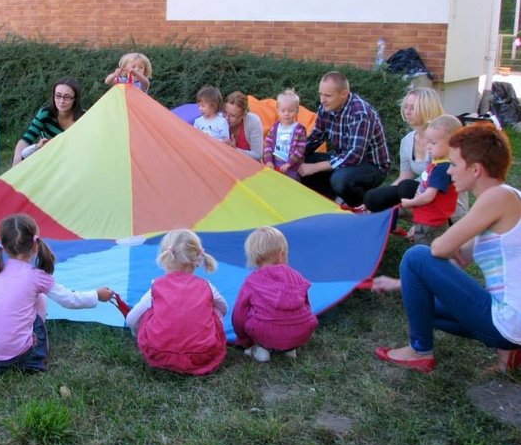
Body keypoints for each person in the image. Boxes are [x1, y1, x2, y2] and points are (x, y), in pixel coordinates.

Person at [375, 123, 521, 374]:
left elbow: (440, 249)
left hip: (507, 322)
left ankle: (419, 350)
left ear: (475, 169)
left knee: (416, 256)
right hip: (510, 322)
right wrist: (400, 284)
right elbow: (460, 258)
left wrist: (444, 247)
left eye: (453, 163)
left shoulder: (496, 198)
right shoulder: (507, 198)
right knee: (422, 304)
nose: (449, 171)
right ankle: (509, 352)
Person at [0, 214, 114, 372]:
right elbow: (69, 300)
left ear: (2, 245)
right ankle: (33, 362)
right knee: (40, 296)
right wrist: (96, 295)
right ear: (36, 245)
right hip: (16, 356)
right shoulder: (37, 277)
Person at [125, 229, 227, 375]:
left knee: (150, 308)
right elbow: (223, 308)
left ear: (166, 256)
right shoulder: (206, 286)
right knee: (212, 307)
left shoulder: (157, 286)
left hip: (159, 352)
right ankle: (203, 336)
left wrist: (137, 332)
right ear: (198, 258)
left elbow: (130, 319)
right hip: (202, 354)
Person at [363, 88, 469, 224]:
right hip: (420, 193)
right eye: (405, 107)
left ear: (427, 109)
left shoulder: (444, 140)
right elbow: (404, 176)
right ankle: (381, 225)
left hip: (444, 200)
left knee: (406, 188)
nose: (407, 112)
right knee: (374, 198)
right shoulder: (407, 141)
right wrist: (380, 198)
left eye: (412, 108)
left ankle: (427, 223)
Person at [298, 71, 390, 209]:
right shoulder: (325, 108)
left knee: (340, 180)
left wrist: (314, 168)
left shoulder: (360, 113)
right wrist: (294, 155)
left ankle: (365, 207)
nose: (322, 100)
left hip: (371, 165)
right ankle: (331, 203)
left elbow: (354, 156)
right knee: (301, 161)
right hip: (343, 158)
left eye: (328, 95)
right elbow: (315, 137)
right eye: (320, 94)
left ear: (344, 94)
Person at [232, 226, 318, 362]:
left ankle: (260, 350)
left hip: (265, 333)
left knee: (257, 322)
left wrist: (242, 338)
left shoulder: (252, 281)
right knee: (288, 323)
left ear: (254, 258)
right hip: (303, 332)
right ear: (282, 253)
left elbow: (239, 314)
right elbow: (307, 305)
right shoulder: (296, 276)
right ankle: (290, 349)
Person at [399, 114, 462, 244]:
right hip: (426, 218)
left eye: (433, 143)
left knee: (425, 252)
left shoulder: (442, 168)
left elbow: (429, 196)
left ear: (452, 144)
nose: (428, 146)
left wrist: (410, 203)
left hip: (432, 223)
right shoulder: (437, 163)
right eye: (427, 142)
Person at [12, 77, 84, 165]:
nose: (61, 101)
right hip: (47, 162)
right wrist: (16, 160)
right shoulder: (45, 113)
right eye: (58, 95)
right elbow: (26, 140)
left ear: (75, 99)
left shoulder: (84, 117)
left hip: (74, 163)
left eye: (67, 97)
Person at [263, 89, 308, 179]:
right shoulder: (275, 127)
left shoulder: (299, 129)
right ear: (278, 110)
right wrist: (268, 161)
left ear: (297, 111)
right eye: (283, 111)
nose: (287, 114)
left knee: (291, 185)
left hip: (291, 166)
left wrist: (289, 163)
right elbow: (267, 144)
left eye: (291, 111)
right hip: (274, 162)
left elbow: (300, 150)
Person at [223, 91, 263, 161]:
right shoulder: (218, 119)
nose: (227, 118)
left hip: (248, 166)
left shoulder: (253, 121)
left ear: (243, 115)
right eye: (225, 113)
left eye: (232, 115)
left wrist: (234, 150)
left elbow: (257, 155)